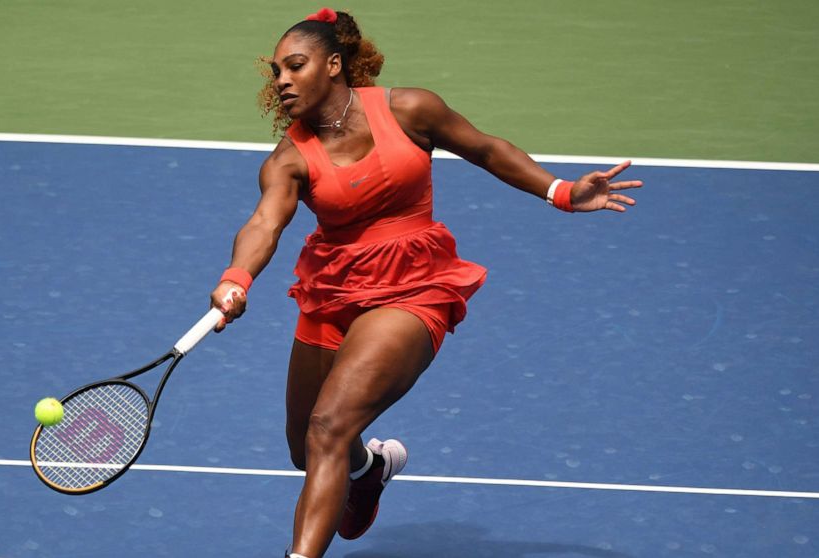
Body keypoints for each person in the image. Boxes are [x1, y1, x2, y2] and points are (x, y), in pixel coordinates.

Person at [209, 8, 642, 558]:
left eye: (295, 66)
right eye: (276, 72)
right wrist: (236, 278)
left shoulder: (408, 108)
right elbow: (265, 222)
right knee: (306, 448)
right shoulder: (290, 159)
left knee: (327, 426)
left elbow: (485, 148)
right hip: (332, 292)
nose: (282, 80)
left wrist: (559, 190)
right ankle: (369, 472)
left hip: (413, 288)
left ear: (335, 64)